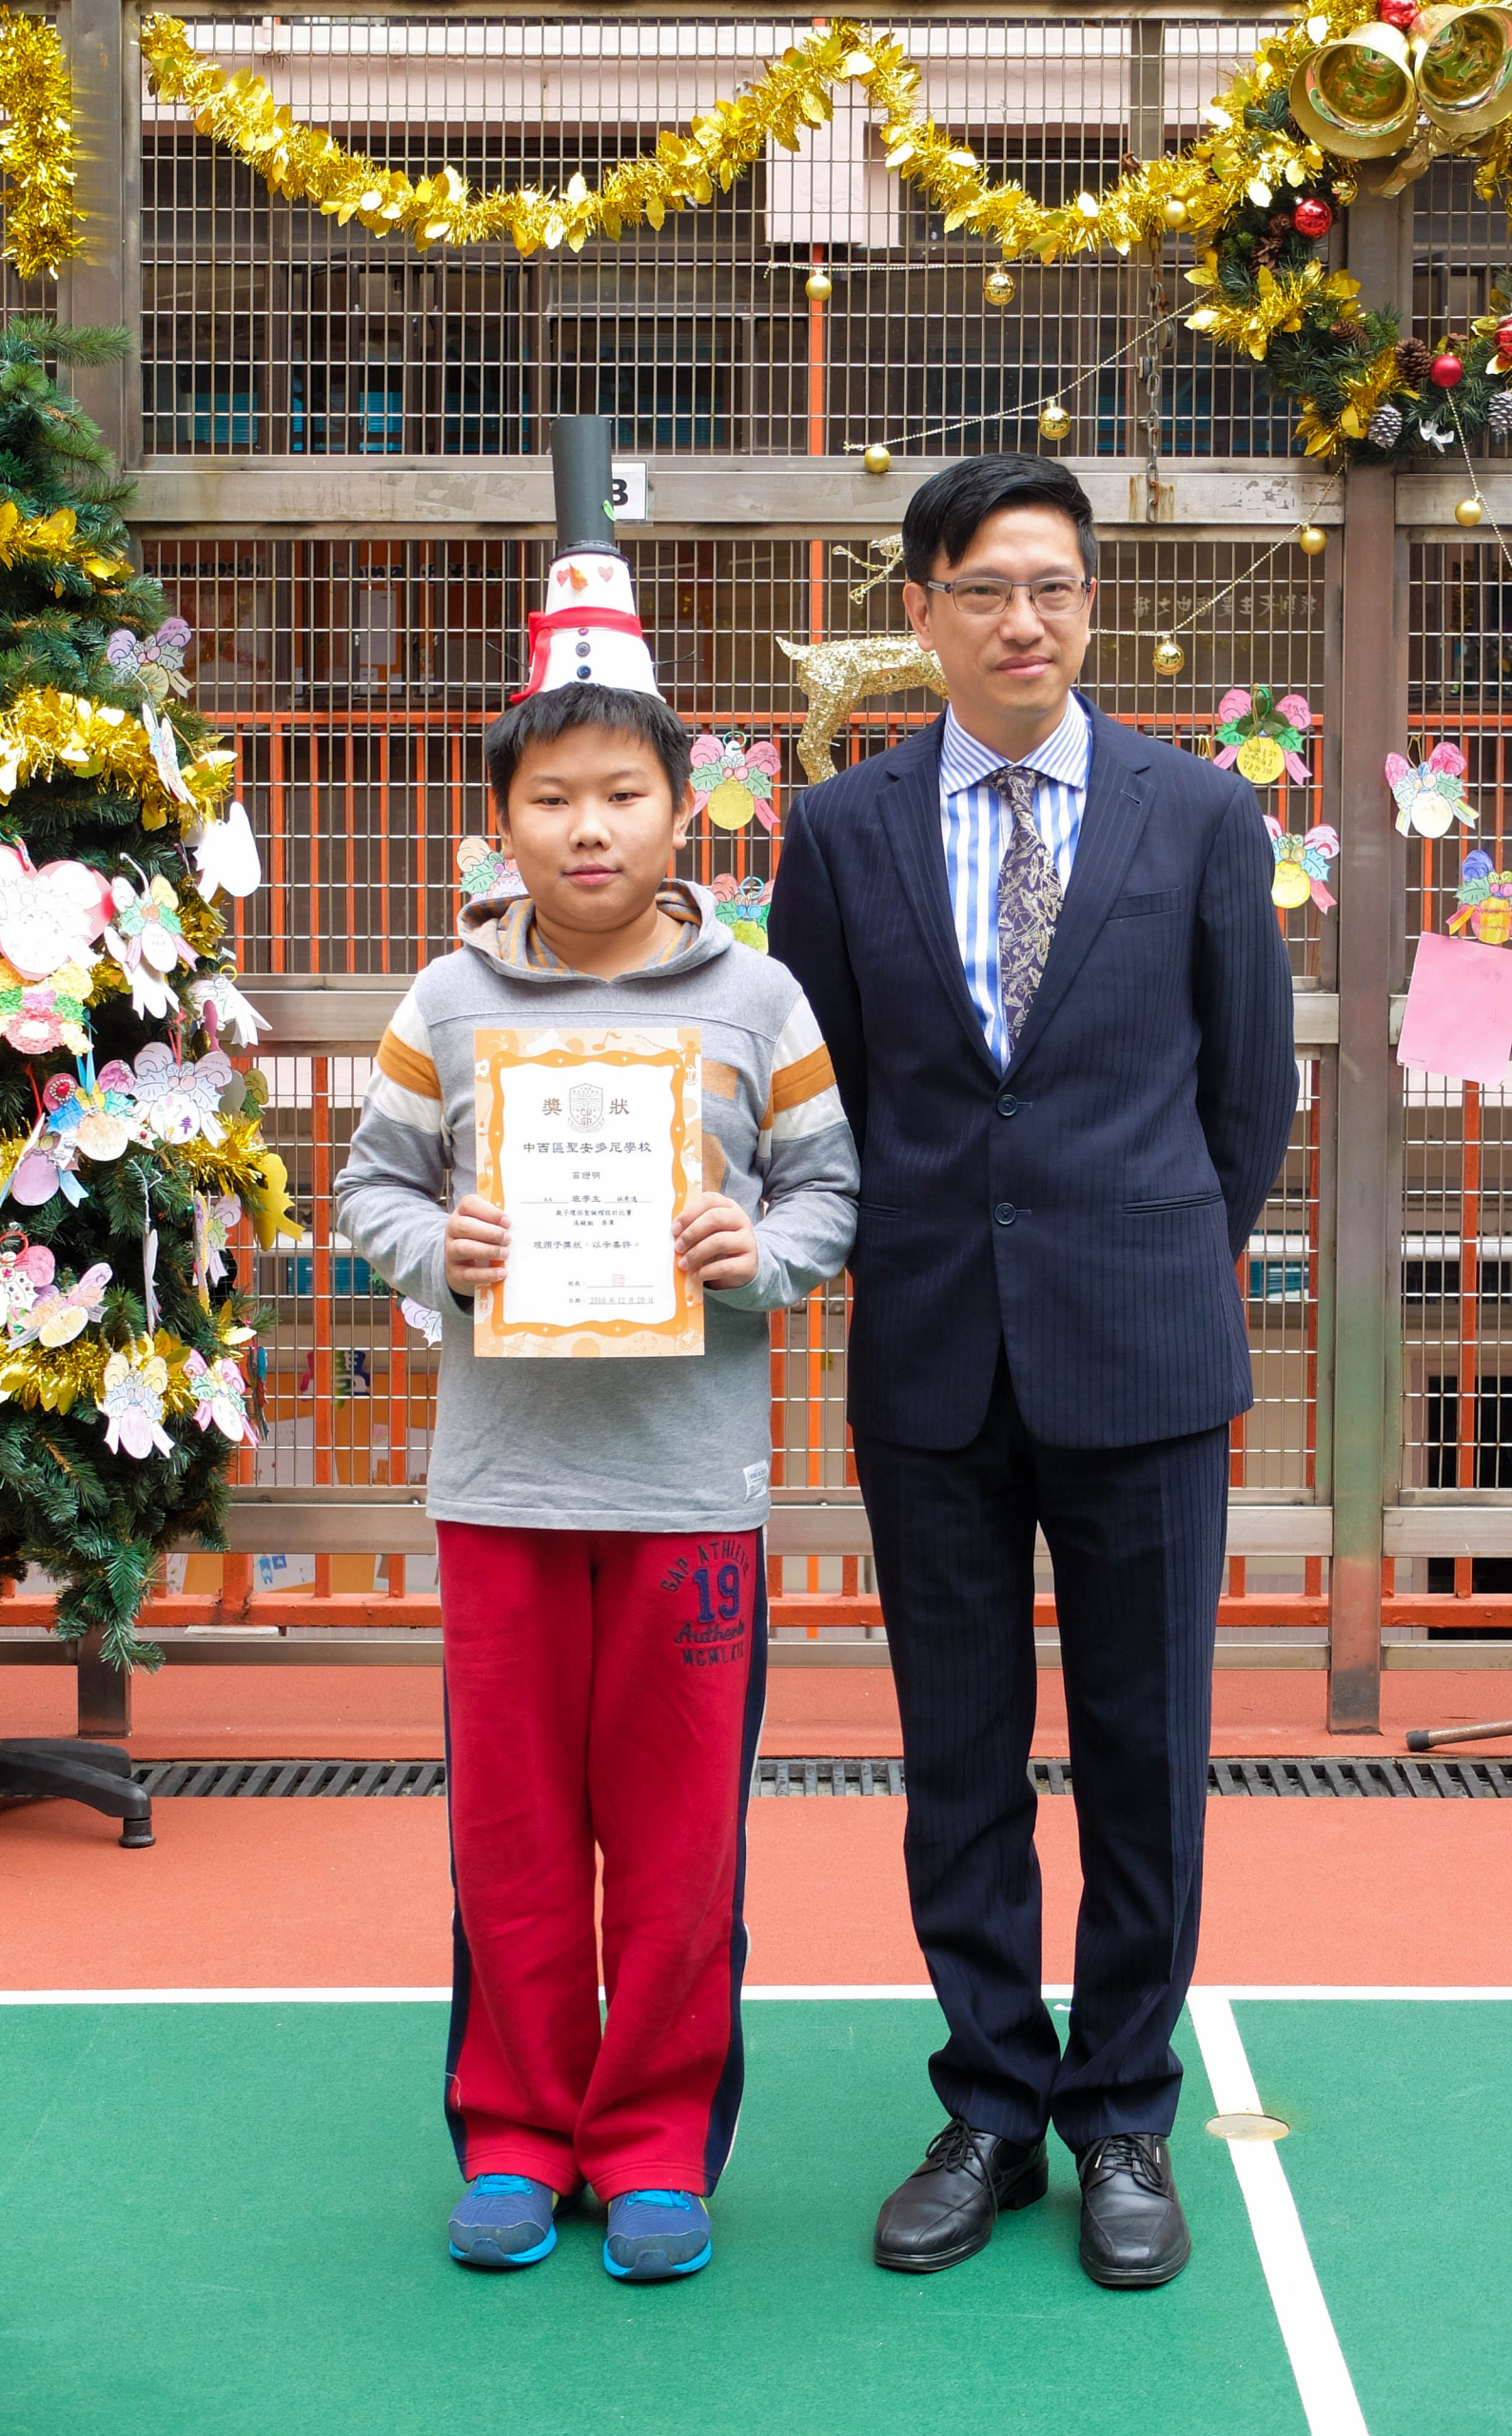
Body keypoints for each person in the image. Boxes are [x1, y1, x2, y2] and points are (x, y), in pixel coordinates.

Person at [769, 455, 1297, 2289]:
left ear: (1090, 605)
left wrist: (1148, 1252)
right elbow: (821, 1097)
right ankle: (991, 2103)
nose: (1024, 621)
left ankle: (1124, 2113)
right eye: (986, 588)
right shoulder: (841, 830)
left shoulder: (1198, 812)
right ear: (919, 611)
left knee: (1149, 1756)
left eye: (1055, 587)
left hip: (1145, 1351)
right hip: (931, 1356)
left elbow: (1249, 1092)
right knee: (959, 1759)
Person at [337, 675, 857, 2283]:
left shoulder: (759, 1001)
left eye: (622, 794)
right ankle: (514, 2132)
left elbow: (830, 1189)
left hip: (690, 1496)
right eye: (550, 797)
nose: (587, 827)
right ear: (501, 825)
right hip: (503, 1490)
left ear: (681, 811)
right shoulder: (448, 1001)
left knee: (682, 1844)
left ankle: (651, 2145)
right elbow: (370, 1188)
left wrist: (758, 1251)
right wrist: (440, 1246)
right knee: (509, 1833)